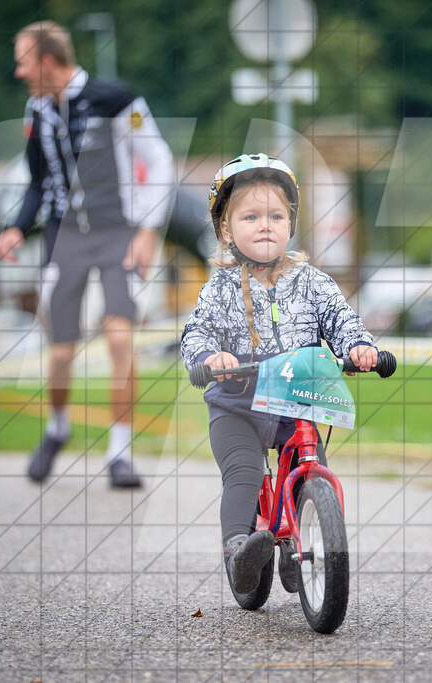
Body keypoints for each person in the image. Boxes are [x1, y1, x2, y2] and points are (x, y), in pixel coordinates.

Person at [180, 153, 378, 594]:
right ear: (226, 230)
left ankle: (302, 544)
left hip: (297, 407)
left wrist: (361, 347)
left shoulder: (314, 282)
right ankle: (238, 553)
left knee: (311, 469)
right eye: (250, 217)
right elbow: (197, 332)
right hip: (239, 409)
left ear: (290, 224)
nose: (265, 225)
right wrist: (210, 358)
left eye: (275, 216)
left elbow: (341, 319)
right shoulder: (220, 288)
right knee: (244, 473)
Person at [0, 20, 174, 488]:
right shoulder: (35, 109)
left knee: (119, 341)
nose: (18, 71)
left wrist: (148, 230)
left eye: (23, 61)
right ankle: (57, 428)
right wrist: (15, 226)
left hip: (118, 233)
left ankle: (120, 453)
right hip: (63, 239)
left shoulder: (115, 99)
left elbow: (158, 159)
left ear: (47, 61)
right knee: (60, 354)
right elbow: (38, 182)